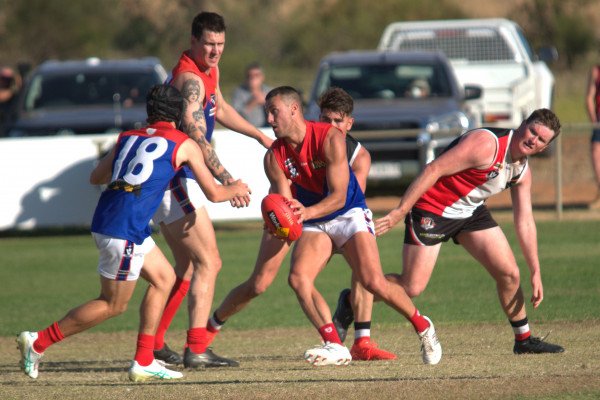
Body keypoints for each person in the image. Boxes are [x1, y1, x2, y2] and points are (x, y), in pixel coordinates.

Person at [16, 84, 250, 382]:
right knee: (112, 304)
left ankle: (144, 359)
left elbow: (95, 177)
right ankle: (39, 341)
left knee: (164, 279)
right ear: (179, 114)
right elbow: (215, 194)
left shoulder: (127, 137)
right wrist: (236, 188)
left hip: (114, 221)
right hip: (123, 228)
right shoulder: (184, 143)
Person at [208, 86, 441, 367]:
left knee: (374, 282)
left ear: (294, 110)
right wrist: (278, 222)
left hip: (349, 213)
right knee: (298, 278)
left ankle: (423, 327)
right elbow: (285, 201)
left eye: (274, 112)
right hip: (314, 220)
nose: (268, 119)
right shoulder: (273, 157)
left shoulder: (329, 138)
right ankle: (334, 343)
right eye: (267, 113)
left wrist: (306, 212)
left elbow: (340, 196)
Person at [358, 109, 564, 355]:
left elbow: (525, 221)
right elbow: (433, 169)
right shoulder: (487, 144)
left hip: (469, 212)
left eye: (541, 140)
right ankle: (355, 297)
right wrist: (400, 211)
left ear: (544, 148)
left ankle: (524, 340)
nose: (533, 140)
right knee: (411, 287)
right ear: (522, 124)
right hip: (432, 208)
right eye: (532, 131)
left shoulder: (522, 171)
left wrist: (536, 271)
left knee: (509, 274)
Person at [151, 11, 272, 369]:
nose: (216, 50)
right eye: (209, 44)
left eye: (220, 43)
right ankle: (196, 349)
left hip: (172, 178)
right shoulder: (190, 79)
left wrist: (258, 135)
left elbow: (219, 108)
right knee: (210, 261)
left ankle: (155, 344)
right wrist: (226, 180)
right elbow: (194, 131)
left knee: (187, 266)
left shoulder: (208, 71)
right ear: (193, 42)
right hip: (174, 178)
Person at [317, 88, 395, 361]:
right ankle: (203, 338)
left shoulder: (359, 156)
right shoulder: (306, 141)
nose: (331, 126)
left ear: (349, 123)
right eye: (326, 119)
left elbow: (351, 202)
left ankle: (362, 342)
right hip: (310, 220)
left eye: (338, 121)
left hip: (341, 216)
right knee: (267, 280)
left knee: (367, 270)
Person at [231, 62, 272, 127]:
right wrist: (253, 103)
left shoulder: (270, 91)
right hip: (247, 129)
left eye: (256, 75)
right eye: (249, 76)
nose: (252, 78)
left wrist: (269, 104)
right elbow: (234, 117)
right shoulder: (238, 93)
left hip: (268, 129)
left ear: (262, 77)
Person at [585, 65, 600, 209]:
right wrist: (594, 121)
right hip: (599, 120)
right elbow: (590, 96)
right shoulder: (596, 71)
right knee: (596, 152)